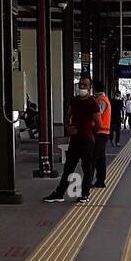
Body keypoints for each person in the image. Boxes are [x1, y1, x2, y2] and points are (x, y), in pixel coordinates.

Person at [43, 75, 99, 203]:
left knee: (87, 168)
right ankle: (59, 193)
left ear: (90, 87)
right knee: (68, 167)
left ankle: (84, 194)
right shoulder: (74, 101)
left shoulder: (93, 102)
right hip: (75, 140)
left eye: (85, 84)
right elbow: (68, 116)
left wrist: (91, 133)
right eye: (80, 84)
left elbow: (98, 123)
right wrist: (68, 128)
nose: (82, 87)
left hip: (87, 141)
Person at [93, 84, 112, 189]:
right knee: (100, 158)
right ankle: (100, 181)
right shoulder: (105, 99)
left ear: (95, 89)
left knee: (95, 158)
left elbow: (97, 115)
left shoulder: (101, 100)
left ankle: (92, 181)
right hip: (104, 133)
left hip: (100, 133)